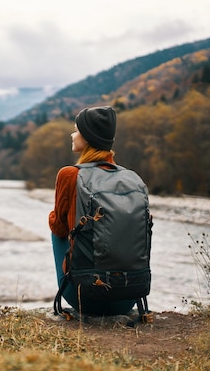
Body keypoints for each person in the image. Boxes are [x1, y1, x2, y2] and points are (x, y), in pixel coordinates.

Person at [48, 105, 136, 316]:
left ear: (87, 137)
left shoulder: (69, 175)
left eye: (76, 130)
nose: (72, 134)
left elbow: (59, 229)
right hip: (129, 296)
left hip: (84, 296)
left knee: (58, 227)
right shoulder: (132, 179)